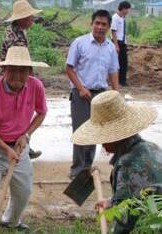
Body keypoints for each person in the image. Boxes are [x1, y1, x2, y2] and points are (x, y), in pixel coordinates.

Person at [71, 91, 162, 234]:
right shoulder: (152, 148)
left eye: (103, 137)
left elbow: (126, 218)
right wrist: (112, 202)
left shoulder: (127, 163)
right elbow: (143, 191)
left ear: (116, 136)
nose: (101, 144)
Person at [0, 46, 48, 230]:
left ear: (29, 72)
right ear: (4, 70)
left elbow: (42, 113)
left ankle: (10, 221)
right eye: (12, 70)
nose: (17, 75)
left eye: (22, 71)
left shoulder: (35, 86)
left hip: (20, 146)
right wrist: (6, 149)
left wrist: (26, 135)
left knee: (24, 191)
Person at [65, 9, 119, 179]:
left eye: (104, 24)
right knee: (81, 131)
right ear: (91, 24)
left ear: (109, 27)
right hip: (81, 93)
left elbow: (113, 71)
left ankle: (87, 167)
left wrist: (116, 93)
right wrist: (81, 88)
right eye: (97, 23)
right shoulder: (80, 43)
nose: (100, 27)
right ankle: (77, 170)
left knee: (95, 132)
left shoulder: (110, 47)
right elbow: (69, 68)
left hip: (100, 94)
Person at [0, 0, 43, 160]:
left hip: (11, 78)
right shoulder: (15, 37)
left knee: (19, 113)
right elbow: (17, 65)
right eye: (29, 16)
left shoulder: (19, 32)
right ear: (21, 18)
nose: (32, 19)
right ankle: (16, 146)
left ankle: (23, 143)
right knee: (16, 114)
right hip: (12, 80)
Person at [111, 1, 132, 87]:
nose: (128, 11)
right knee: (117, 63)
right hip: (117, 42)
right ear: (123, 8)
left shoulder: (122, 18)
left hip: (123, 42)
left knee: (124, 62)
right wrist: (116, 45)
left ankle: (122, 81)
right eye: (127, 9)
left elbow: (122, 31)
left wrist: (126, 41)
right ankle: (117, 81)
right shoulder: (115, 17)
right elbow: (113, 31)